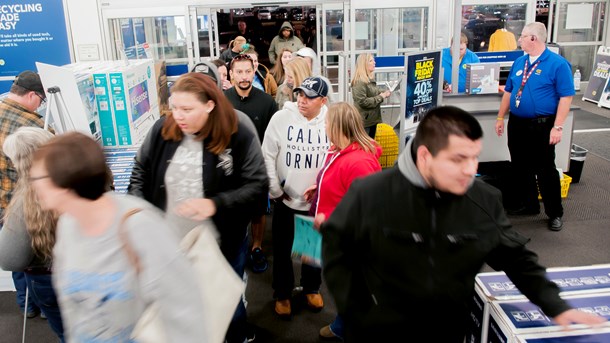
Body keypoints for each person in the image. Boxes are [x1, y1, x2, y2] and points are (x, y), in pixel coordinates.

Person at [321, 106, 606, 342]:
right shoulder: (372, 194)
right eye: (458, 159)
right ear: (425, 157)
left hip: (448, 332)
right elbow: (339, 253)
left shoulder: (484, 200)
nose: (470, 169)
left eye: (473, 157)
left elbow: (517, 259)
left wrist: (554, 305)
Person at [128, 72, 268, 343]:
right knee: (178, 302)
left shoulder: (238, 130)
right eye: (174, 107)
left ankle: (237, 334)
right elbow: (140, 171)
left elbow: (257, 185)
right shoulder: (162, 129)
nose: (178, 116)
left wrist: (215, 204)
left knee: (225, 301)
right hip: (169, 242)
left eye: (187, 109)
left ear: (210, 104)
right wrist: (138, 212)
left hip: (221, 242)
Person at [29, 131, 208, 342]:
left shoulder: (139, 225)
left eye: (38, 177)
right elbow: (73, 310)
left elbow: (186, 309)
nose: (32, 182)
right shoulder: (68, 226)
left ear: (65, 182)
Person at [301, 102, 382, 340]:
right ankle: (342, 324)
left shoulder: (359, 162)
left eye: (327, 122)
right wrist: (320, 187)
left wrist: (330, 218)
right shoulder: (338, 150)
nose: (324, 126)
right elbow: (343, 186)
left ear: (337, 126)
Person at [261, 76, 330, 317]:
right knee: (282, 251)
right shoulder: (281, 118)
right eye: (300, 94)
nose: (302, 100)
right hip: (286, 199)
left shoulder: (330, 121)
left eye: (309, 97)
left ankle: (311, 288)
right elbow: (267, 155)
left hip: (315, 203)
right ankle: (282, 293)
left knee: (311, 250)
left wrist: (326, 192)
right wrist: (275, 191)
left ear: (323, 100)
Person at [495, 22, 573, 231]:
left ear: (533, 39)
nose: (519, 40)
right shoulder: (519, 62)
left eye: (522, 36)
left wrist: (558, 127)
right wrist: (500, 117)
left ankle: (555, 213)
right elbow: (509, 92)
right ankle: (529, 205)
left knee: (545, 169)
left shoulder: (557, 64)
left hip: (542, 125)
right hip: (517, 123)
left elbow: (566, 97)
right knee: (520, 166)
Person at [0, 127, 64, 341]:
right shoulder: (75, 176)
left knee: (69, 333)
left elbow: (10, 259)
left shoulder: (25, 201)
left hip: (48, 279)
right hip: (88, 272)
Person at [225, 53, 278, 273]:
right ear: (231, 74)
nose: (244, 76)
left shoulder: (267, 102)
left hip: (257, 169)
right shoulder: (222, 102)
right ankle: (236, 248)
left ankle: (256, 247)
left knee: (258, 212)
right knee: (233, 212)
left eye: (248, 71)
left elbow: (274, 138)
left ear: (253, 71)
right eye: (239, 72)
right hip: (229, 171)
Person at [0, 70, 47, 319]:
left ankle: (26, 304)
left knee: (15, 253)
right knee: (36, 254)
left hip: (3, 200)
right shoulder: (34, 125)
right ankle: (41, 304)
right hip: (27, 200)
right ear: (31, 95)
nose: (40, 104)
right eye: (40, 98)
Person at [350, 53, 391, 139]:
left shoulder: (368, 79)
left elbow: (374, 91)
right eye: (371, 61)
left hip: (371, 120)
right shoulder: (359, 82)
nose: (374, 63)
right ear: (364, 64)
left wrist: (384, 92)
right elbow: (363, 102)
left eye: (374, 60)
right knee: (365, 147)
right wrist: (381, 97)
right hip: (365, 123)